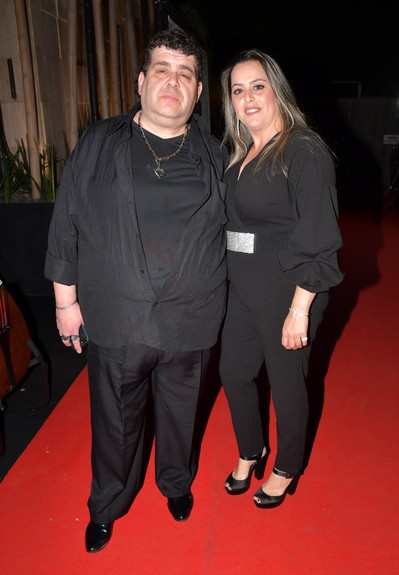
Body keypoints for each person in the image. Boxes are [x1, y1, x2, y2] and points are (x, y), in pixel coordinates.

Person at [44, 29, 227, 552]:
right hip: (117, 315)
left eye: (185, 74)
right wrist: (65, 301)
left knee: (181, 415)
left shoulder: (216, 155)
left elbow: (241, 233)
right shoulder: (100, 141)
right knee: (115, 424)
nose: (173, 81)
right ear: (142, 81)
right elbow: (66, 223)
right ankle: (107, 504)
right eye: (163, 70)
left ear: (197, 93)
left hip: (192, 318)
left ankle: (175, 483)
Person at [219, 49, 343, 509]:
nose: (248, 98)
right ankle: (251, 450)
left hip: (288, 286)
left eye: (258, 86)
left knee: (286, 383)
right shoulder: (240, 153)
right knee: (233, 372)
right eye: (238, 90)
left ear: (277, 91)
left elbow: (320, 236)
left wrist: (299, 308)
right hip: (242, 287)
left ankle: (287, 467)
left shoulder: (303, 150)